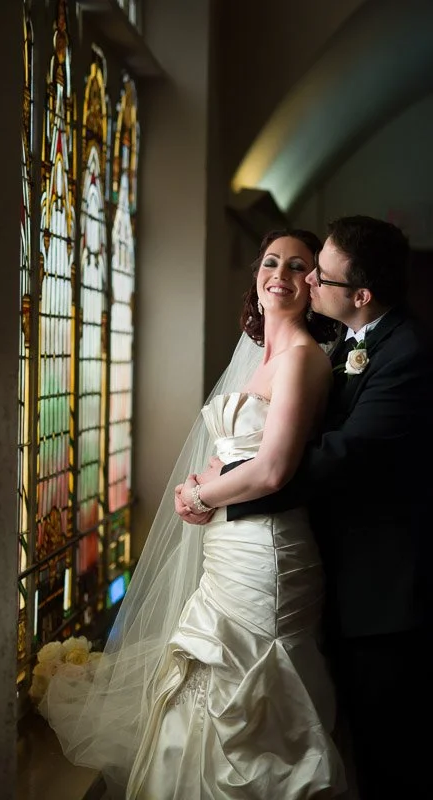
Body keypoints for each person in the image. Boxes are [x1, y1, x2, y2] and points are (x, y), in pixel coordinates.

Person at [42, 229, 347, 800]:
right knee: (195, 689)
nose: (278, 273)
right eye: (270, 262)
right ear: (257, 275)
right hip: (226, 551)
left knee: (250, 700)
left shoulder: (304, 361)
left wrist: (203, 498)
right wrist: (199, 482)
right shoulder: (260, 358)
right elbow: (236, 452)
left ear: (313, 283)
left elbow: (275, 469)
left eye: (297, 265)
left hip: (266, 555)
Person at [178, 215, 433, 800]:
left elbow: (335, 456)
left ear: (360, 295)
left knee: (389, 753)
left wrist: (216, 490)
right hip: (325, 568)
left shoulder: (407, 353)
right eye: (285, 265)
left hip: (387, 593)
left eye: (318, 273)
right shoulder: (351, 343)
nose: (307, 281)